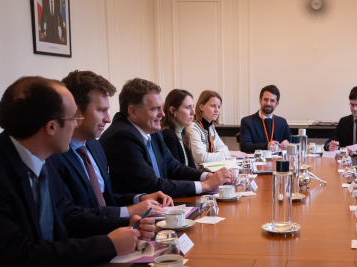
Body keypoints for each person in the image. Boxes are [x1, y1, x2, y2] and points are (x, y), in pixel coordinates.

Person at [0, 76, 155, 267]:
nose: (77, 126)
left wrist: (126, 224)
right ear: (51, 127)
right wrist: (108, 244)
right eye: (74, 119)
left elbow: (69, 216)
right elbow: (14, 258)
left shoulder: (45, 158)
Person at [50, 70, 173, 218]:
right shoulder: (54, 155)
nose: (108, 119)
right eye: (101, 110)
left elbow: (106, 199)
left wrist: (139, 199)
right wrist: (129, 212)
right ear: (76, 111)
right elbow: (71, 216)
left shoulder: (95, 147)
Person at [99, 78, 235, 198]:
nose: (162, 114)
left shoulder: (152, 131)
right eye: (155, 109)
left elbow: (174, 167)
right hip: (137, 215)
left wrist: (207, 176)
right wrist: (205, 186)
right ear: (133, 111)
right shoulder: (122, 137)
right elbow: (152, 186)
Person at [188, 90, 246, 165]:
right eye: (213, 106)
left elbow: (224, 148)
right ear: (201, 107)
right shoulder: (193, 128)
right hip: (199, 173)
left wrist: (215, 155)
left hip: (210, 168)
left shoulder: (210, 126)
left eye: (219, 107)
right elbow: (202, 158)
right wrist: (229, 153)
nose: (217, 110)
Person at [239, 85, 292, 152]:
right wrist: (266, 146)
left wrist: (287, 143)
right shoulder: (247, 121)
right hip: (258, 161)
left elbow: (291, 140)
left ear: (277, 104)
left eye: (272, 100)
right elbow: (245, 146)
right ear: (260, 100)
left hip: (279, 161)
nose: (268, 103)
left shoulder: (282, 122)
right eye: (266, 99)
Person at [160, 89, 197, 168]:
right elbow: (176, 173)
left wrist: (208, 176)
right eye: (187, 108)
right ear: (172, 110)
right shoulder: (168, 135)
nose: (193, 112)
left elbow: (192, 167)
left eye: (193, 107)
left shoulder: (183, 131)